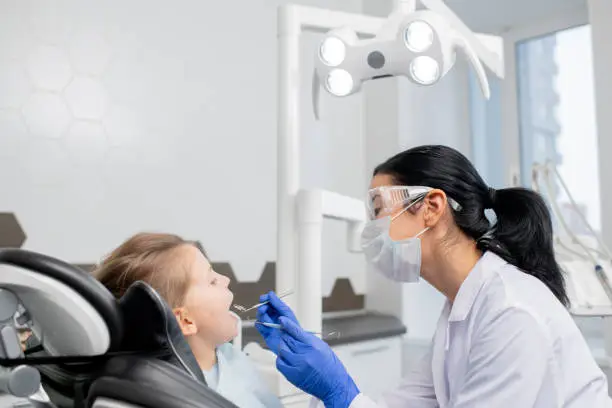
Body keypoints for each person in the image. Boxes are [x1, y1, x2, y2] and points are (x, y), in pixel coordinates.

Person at [257, 145, 612, 408]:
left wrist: (340, 392)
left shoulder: (510, 311)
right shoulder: (461, 310)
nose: (371, 229)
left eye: (379, 210)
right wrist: (333, 388)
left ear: (431, 207)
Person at [93, 232, 283, 408]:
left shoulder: (226, 357)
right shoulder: (199, 398)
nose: (225, 279)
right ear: (185, 321)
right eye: (212, 281)